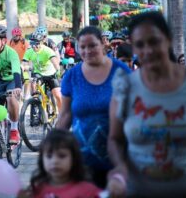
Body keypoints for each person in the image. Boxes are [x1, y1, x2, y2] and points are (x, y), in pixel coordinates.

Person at [107, 11, 186, 197]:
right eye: (140, 45)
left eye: (154, 41)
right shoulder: (124, 87)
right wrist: (120, 168)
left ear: (168, 40)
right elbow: (115, 139)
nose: (148, 50)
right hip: (138, 191)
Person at [56, 26, 130, 188]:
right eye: (82, 47)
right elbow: (66, 115)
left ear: (103, 44)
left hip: (119, 159)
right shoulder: (72, 76)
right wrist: (53, 145)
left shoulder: (121, 71)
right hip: (82, 161)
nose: (87, 51)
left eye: (92, 46)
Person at [17, 129, 101, 198]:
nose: (55, 161)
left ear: (74, 158)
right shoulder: (37, 190)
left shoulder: (88, 191)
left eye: (61, 156)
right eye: (49, 156)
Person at [23, 32, 62, 114]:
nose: (34, 46)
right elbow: (24, 65)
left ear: (42, 42)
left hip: (51, 74)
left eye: (37, 43)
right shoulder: (29, 51)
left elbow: (55, 63)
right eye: (32, 43)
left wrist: (58, 73)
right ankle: (36, 104)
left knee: (58, 95)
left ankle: (62, 114)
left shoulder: (47, 50)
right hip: (39, 74)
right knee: (34, 84)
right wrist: (25, 73)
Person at [8, 27, 30, 99]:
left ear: (20, 35)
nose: (15, 37)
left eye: (17, 35)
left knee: (26, 78)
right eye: (14, 35)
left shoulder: (24, 42)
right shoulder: (10, 42)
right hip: (13, 63)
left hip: (23, 63)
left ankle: (26, 95)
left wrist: (26, 63)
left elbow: (29, 53)